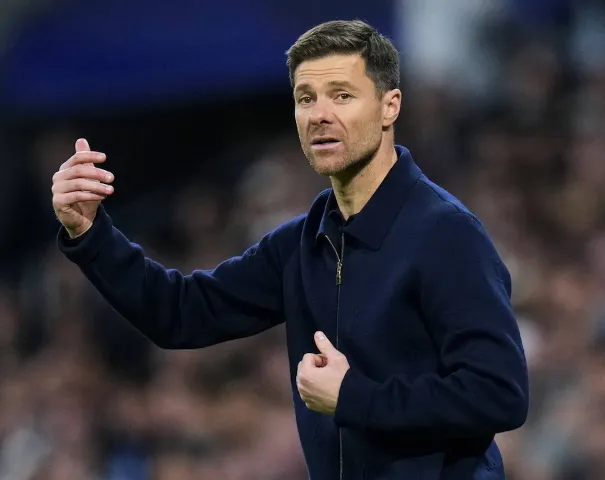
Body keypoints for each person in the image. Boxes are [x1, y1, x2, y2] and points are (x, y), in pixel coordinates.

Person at [51, 20, 529, 480]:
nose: (319, 114)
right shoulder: (302, 243)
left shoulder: (447, 234)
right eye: (306, 98)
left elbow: (499, 393)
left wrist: (355, 397)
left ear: (390, 107)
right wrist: (90, 232)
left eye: (342, 95)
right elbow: (180, 313)